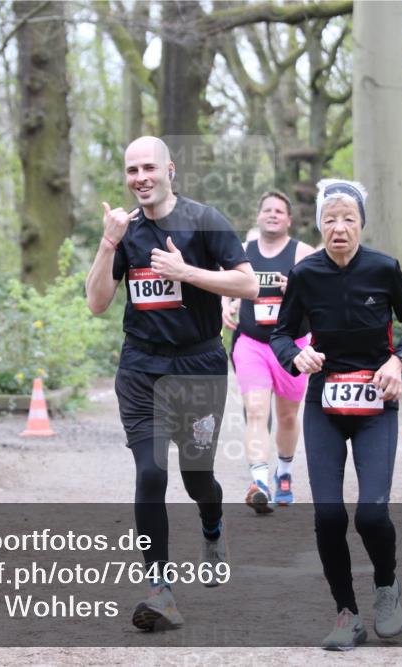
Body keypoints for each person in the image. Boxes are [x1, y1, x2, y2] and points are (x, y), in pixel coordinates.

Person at [85, 136, 258, 632]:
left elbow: (248, 284)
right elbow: (97, 303)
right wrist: (107, 242)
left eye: (148, 168)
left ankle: (212, 522)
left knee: (196, 477)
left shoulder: (205, 220)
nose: (140, 178)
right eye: (131, 170)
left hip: (199, 367)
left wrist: (186, 271)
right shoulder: (126, 231)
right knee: (152, 472)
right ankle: (160, 591)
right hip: (141, 370)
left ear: (170, 169)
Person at [270, 178, 402, 650]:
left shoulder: (383, 269)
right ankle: (346, 613)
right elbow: (282, 333)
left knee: (372, 514)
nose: (339, 227)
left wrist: (398, 360)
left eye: (348, 218)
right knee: (328, 515)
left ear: (361, 223)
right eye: (330, 219)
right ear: (319, 224)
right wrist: (295, 357)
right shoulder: (307, 275)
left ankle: (386, 588)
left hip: (376, 404)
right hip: (325, 404)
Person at [221, 191, 313, 513]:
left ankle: (284, 474)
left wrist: (298, 292)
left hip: (292, 346)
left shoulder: (303, 252)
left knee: (287, 416)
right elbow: (225, 284)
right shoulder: (242, 252)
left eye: (279, 211)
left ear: (288, 219)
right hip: (252, 344)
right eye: (267, 210)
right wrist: (226, 304)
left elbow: (322, 297)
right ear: (258, 217)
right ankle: (259, 482)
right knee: (257, 410)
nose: (273, 214)